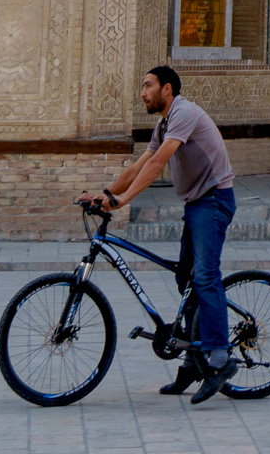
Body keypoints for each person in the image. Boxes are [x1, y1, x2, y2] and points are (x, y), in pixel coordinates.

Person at [86, 65, 239, 403]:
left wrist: (124, 200)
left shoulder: (183, 113)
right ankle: (192, 363)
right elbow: (140, 165)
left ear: (167, 89)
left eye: (147, 86)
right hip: (197, 203)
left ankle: (220, 357)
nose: (143, 93)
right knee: (186, 279)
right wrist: (106, 192)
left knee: (205, 275)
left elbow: (158, 166)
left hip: (214, 200)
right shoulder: (164, 123)